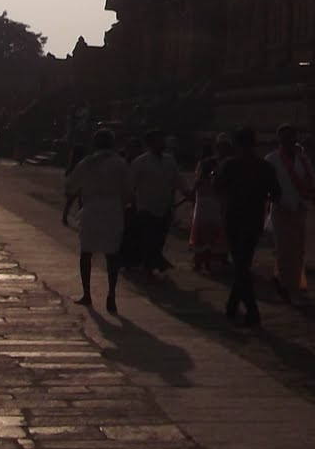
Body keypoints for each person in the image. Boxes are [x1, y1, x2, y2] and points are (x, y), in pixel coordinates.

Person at [65, 128, 131, 312]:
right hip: (113, 209)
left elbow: (70, 186)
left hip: (91, 209)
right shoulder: (121, 163)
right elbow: (128, 191)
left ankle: (87, 294)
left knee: (86, 253)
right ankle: (111, 294)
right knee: (112, 254)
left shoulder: (87, 163)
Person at [217, 127, 277, 327]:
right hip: (254, 219)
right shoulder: (265, 167)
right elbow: (276, 193)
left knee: (240, 265)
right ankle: (232, 306)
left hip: (234, 218)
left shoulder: (229, 165)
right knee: (243, 263)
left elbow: (218, 188)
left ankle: (252, 310)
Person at [267, 122, 315, 300]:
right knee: (283, 248)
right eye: (285, 138)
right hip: (281, 207)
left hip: (299, 207)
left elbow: (311, 180)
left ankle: (293, 281)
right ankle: (284, 283)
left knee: (298, 248)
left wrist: (311, 197)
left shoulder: (303, 159)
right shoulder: (272, 159)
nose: (289, 141)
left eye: (292, 137)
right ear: (279, 140)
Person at [130, 129, 181, 274]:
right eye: (158, 140)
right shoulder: (140, 162)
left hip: (164, 207)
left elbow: (178, 179)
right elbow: (130, 185)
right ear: (150, 143)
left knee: (159, 238)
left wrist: (188, 193)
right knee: (149, 238)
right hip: (146, 207)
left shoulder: (169, 161)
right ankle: (149, 267)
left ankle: (154, 262)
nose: (162, 143)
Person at [188, 135, 230, 273]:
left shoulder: (231, 163)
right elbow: (198, 180)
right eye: (221, 146)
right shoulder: (206, 163)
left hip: (221, 201)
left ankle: (217, 259)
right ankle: (200, 260)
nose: (223, 149)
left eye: (225, 147)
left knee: (219, 231)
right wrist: (192, 193)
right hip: (205, 201)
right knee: (203, 232)